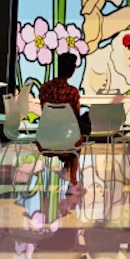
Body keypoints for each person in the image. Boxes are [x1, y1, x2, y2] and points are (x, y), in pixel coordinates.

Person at [35, 52, 94, 188]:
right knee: (80, 129)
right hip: (68, 141)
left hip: (46, 138)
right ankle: (73, 180)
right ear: (72, 71)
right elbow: (74, 117)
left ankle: (67, 168)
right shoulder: (72, 92)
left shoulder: (45, 88)